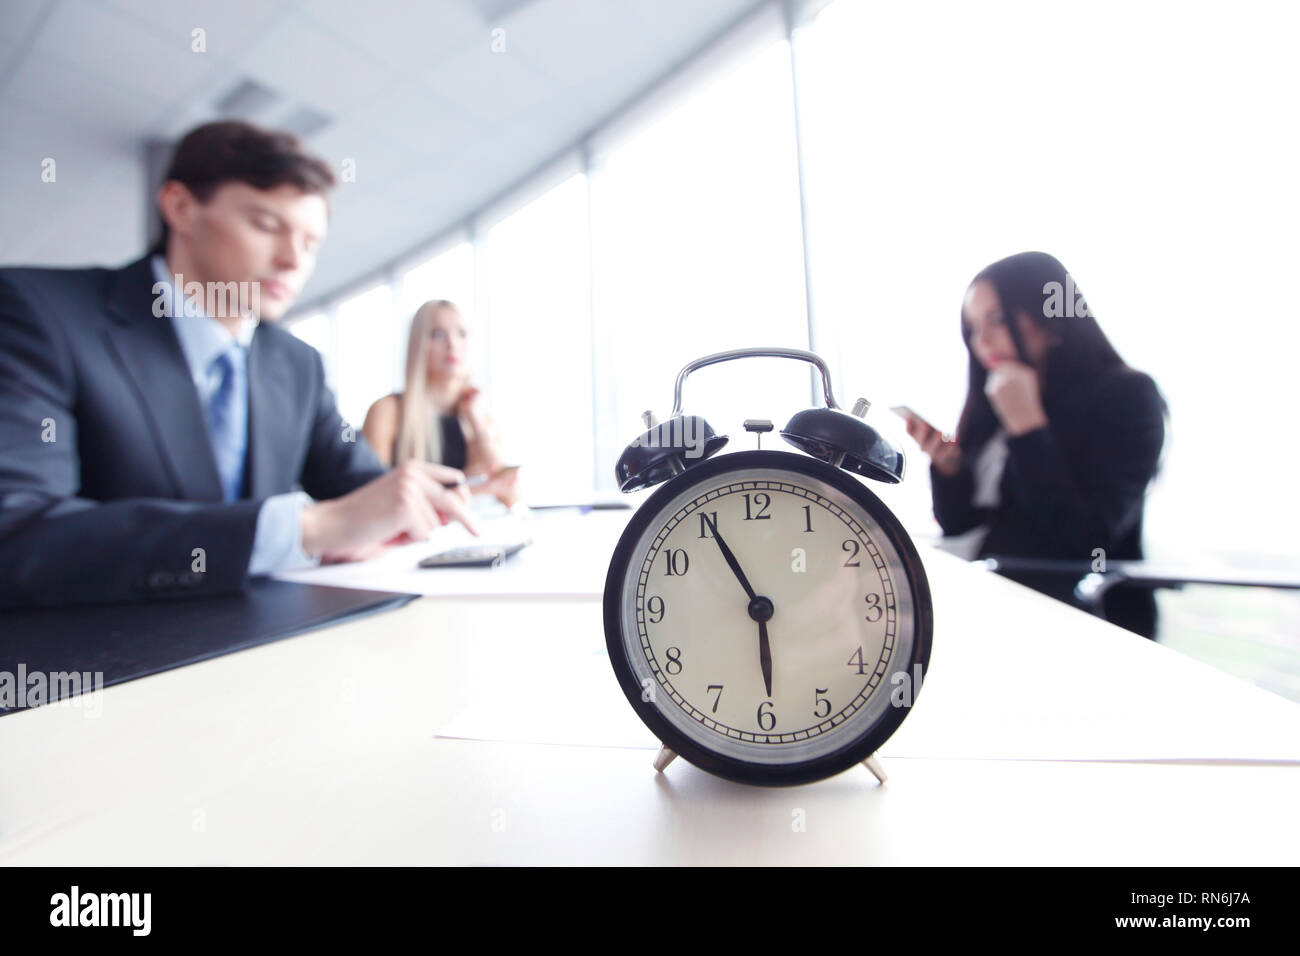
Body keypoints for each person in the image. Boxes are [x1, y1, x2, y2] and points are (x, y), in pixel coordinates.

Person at [0, 121, 477, 609]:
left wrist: (451, 491)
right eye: (268, 225)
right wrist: (307, 528)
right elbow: (18, 536)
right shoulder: (40, 314)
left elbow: (369, 489)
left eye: (311, 242)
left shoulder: (296, 364)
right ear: (181, 208)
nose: (294, 260)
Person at [904, 251, 1167, 638]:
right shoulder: (991, 403)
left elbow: (1086, 540)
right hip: (994, 610)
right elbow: (960, 524)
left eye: (996, 319)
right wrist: (949, 469)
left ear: (1048, 315)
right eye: (972, 327)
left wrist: (1027, 427)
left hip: (1085, 622)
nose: (983, 340)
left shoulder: (1127, 395)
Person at [361, 300, 520, 507]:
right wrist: (475, 490)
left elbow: (511, 495)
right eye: (437, 334)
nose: (452, 344)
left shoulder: (478, 416)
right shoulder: (387, 412)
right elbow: (372, 496)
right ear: (418, 345)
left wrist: (477, 424)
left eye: (462, 334)